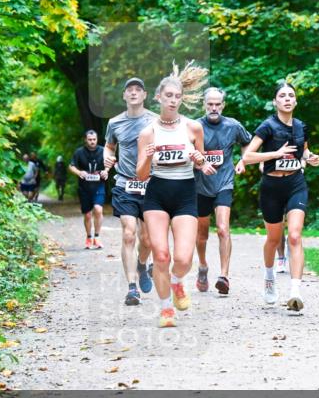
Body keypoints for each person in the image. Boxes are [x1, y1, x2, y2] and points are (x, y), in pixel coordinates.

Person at [136, 62, 216, 328]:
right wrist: (148, 158)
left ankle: (177, 281)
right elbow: (141, 176)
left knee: (183, 259)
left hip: (184, 195)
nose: (172, 100)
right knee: (161, 256)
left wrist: (199, 159)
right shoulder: (148, 132)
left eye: (177, 96)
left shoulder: (193, 128)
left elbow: (201, 163)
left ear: (182, 99)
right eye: (168, 96)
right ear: (158, 97)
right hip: (157, 194)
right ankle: (166, 308)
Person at [242, 81, 319, 311]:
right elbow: (248, 157)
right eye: (282, 96)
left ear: (295, 101)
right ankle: (269, 277)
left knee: (295, 236)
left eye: (291, 95)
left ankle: (295, 291)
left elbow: (303, 152)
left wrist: (311, 157)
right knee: (274, 239)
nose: (287, 99)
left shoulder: (300, 126)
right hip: (271, 187)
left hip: (296, 183)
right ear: (275, 101)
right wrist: (275, 154)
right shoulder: (267, 126)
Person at [194, 87, 252, 295]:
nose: (214, 108)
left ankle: (224, 276)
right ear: (204, 104)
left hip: (224, 183)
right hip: (200, 186)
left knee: (222, 229)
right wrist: (200, 164)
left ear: (223, 105)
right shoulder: (195, 127)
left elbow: (248, 143)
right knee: (201, 234)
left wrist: (243, 161)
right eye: (210, 104)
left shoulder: (233, 125)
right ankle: (202, 266)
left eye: (218, 104)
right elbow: (186, 152)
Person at [104, 78, 157, 305]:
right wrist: (106, 155)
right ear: (124, 96)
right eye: (129, 90)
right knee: (129, 233)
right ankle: (132, 288)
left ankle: (142, 265)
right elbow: (109, 146)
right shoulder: (114, 123)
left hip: (151, 184)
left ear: (144, 95)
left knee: (147, 239)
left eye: (138, 90)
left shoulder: (156, 121)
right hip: (125, 184)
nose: (133, 93)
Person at [70, 131, 108, 249]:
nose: (92, 141)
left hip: (99, 186)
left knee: (98, 209)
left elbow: (110, 163)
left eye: (94, 139)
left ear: (97, 139)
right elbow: (71, 166)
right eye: (90, 139)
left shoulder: (103, 151)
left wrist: (106, 171)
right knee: (87, 215)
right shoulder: (79, 152)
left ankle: (97, 237)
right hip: (84, 188)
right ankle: (88, 237)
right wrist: (79, 172)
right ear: (85, 140)